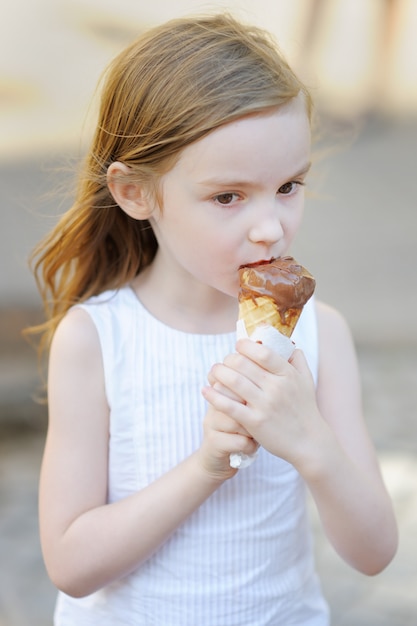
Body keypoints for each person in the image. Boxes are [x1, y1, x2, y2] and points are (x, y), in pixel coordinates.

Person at [29, 13, 397, 626]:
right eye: (228, 196)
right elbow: (70, 561)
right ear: (136, 193)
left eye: (289, 185)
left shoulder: (318, 333)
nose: (269, 227)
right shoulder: (98, 340)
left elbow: (374, 551)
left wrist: (312, 445)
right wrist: (206, 467)